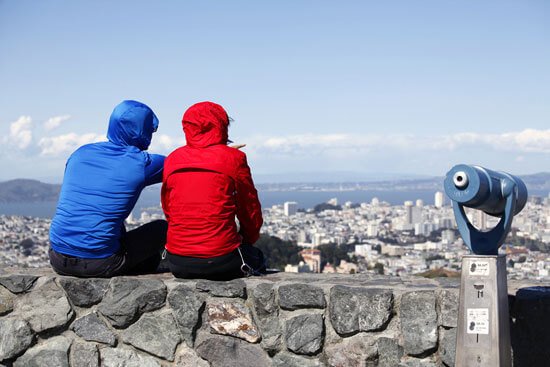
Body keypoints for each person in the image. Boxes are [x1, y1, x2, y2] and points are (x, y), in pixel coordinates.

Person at [49, 100, 167, 277]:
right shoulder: (141, 163)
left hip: (57, 258)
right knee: (161, 228)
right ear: (142, 131)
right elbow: (182, 164)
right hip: (100, 262)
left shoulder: (80, 153)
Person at [161, 101, 265, 280]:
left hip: (177, 262)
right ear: (221, 125)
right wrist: (247, 239)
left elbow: (168, 208)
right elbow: (250, 210)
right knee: (257, 258)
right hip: (221, 260)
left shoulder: (172, 159)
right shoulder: (234, 159)